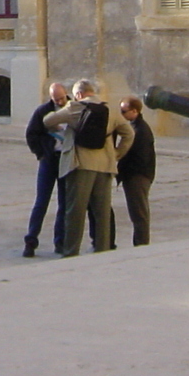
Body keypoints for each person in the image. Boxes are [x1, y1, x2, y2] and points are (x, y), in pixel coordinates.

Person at [42, 78, 134, 256]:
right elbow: (128, 134)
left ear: (78, 94)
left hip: (80, 164)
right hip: (105, 165)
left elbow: (47, 121)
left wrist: (66, 128)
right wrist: (116, 154)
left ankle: (71, 250)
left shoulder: (74, 108)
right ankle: (103, 248)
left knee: (75, 211)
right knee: (102, 212)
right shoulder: (110, 110)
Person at [21, 81, 69, 257]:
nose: (60, 102)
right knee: (42, 201)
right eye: (56, 99)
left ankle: (60, 242)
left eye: (62, 98)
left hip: (66, 160)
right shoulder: (42, 111)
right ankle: (31, 241)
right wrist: (40, 153)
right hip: (49, 160)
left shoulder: (73, 109)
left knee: (64, 203)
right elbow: (31, 134)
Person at [114, 97, 156, 247]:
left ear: (134, 111)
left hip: (137, 177)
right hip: (137, 175)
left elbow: (138, 157)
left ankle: (141, 244)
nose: (121, 114)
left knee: (139, 213)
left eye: (124, 111)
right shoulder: (135, 127)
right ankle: (140, 242)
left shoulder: (139, 130)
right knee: (138, 213)